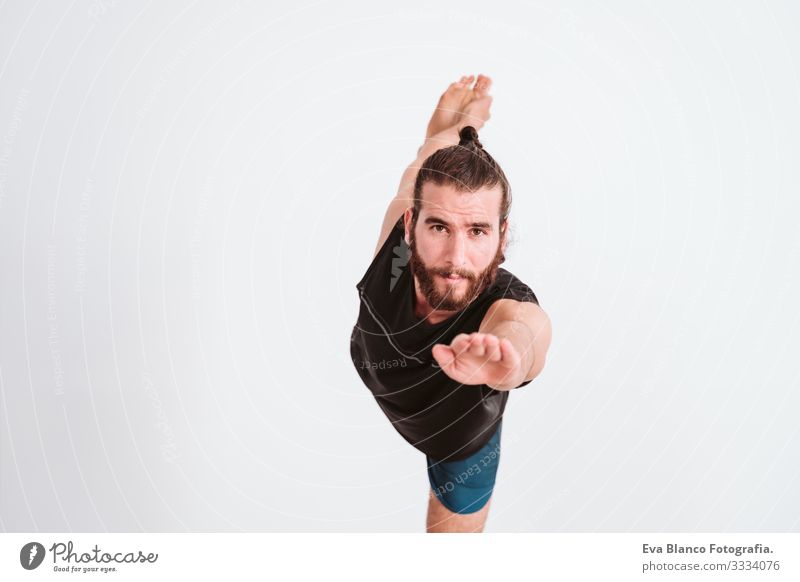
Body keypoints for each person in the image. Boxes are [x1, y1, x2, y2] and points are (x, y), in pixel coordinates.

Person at [350, 74, 552, 533]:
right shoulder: (395, 252)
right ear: (410, 224)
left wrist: (511, 360)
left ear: (502, 235)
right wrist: (456, 126)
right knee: (422, 165)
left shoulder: (507, 303)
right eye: (439, 227)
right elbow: (424, 162)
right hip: (383, 377)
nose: (457, 259)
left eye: (477, 231)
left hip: (459, 445)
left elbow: (527, 329)